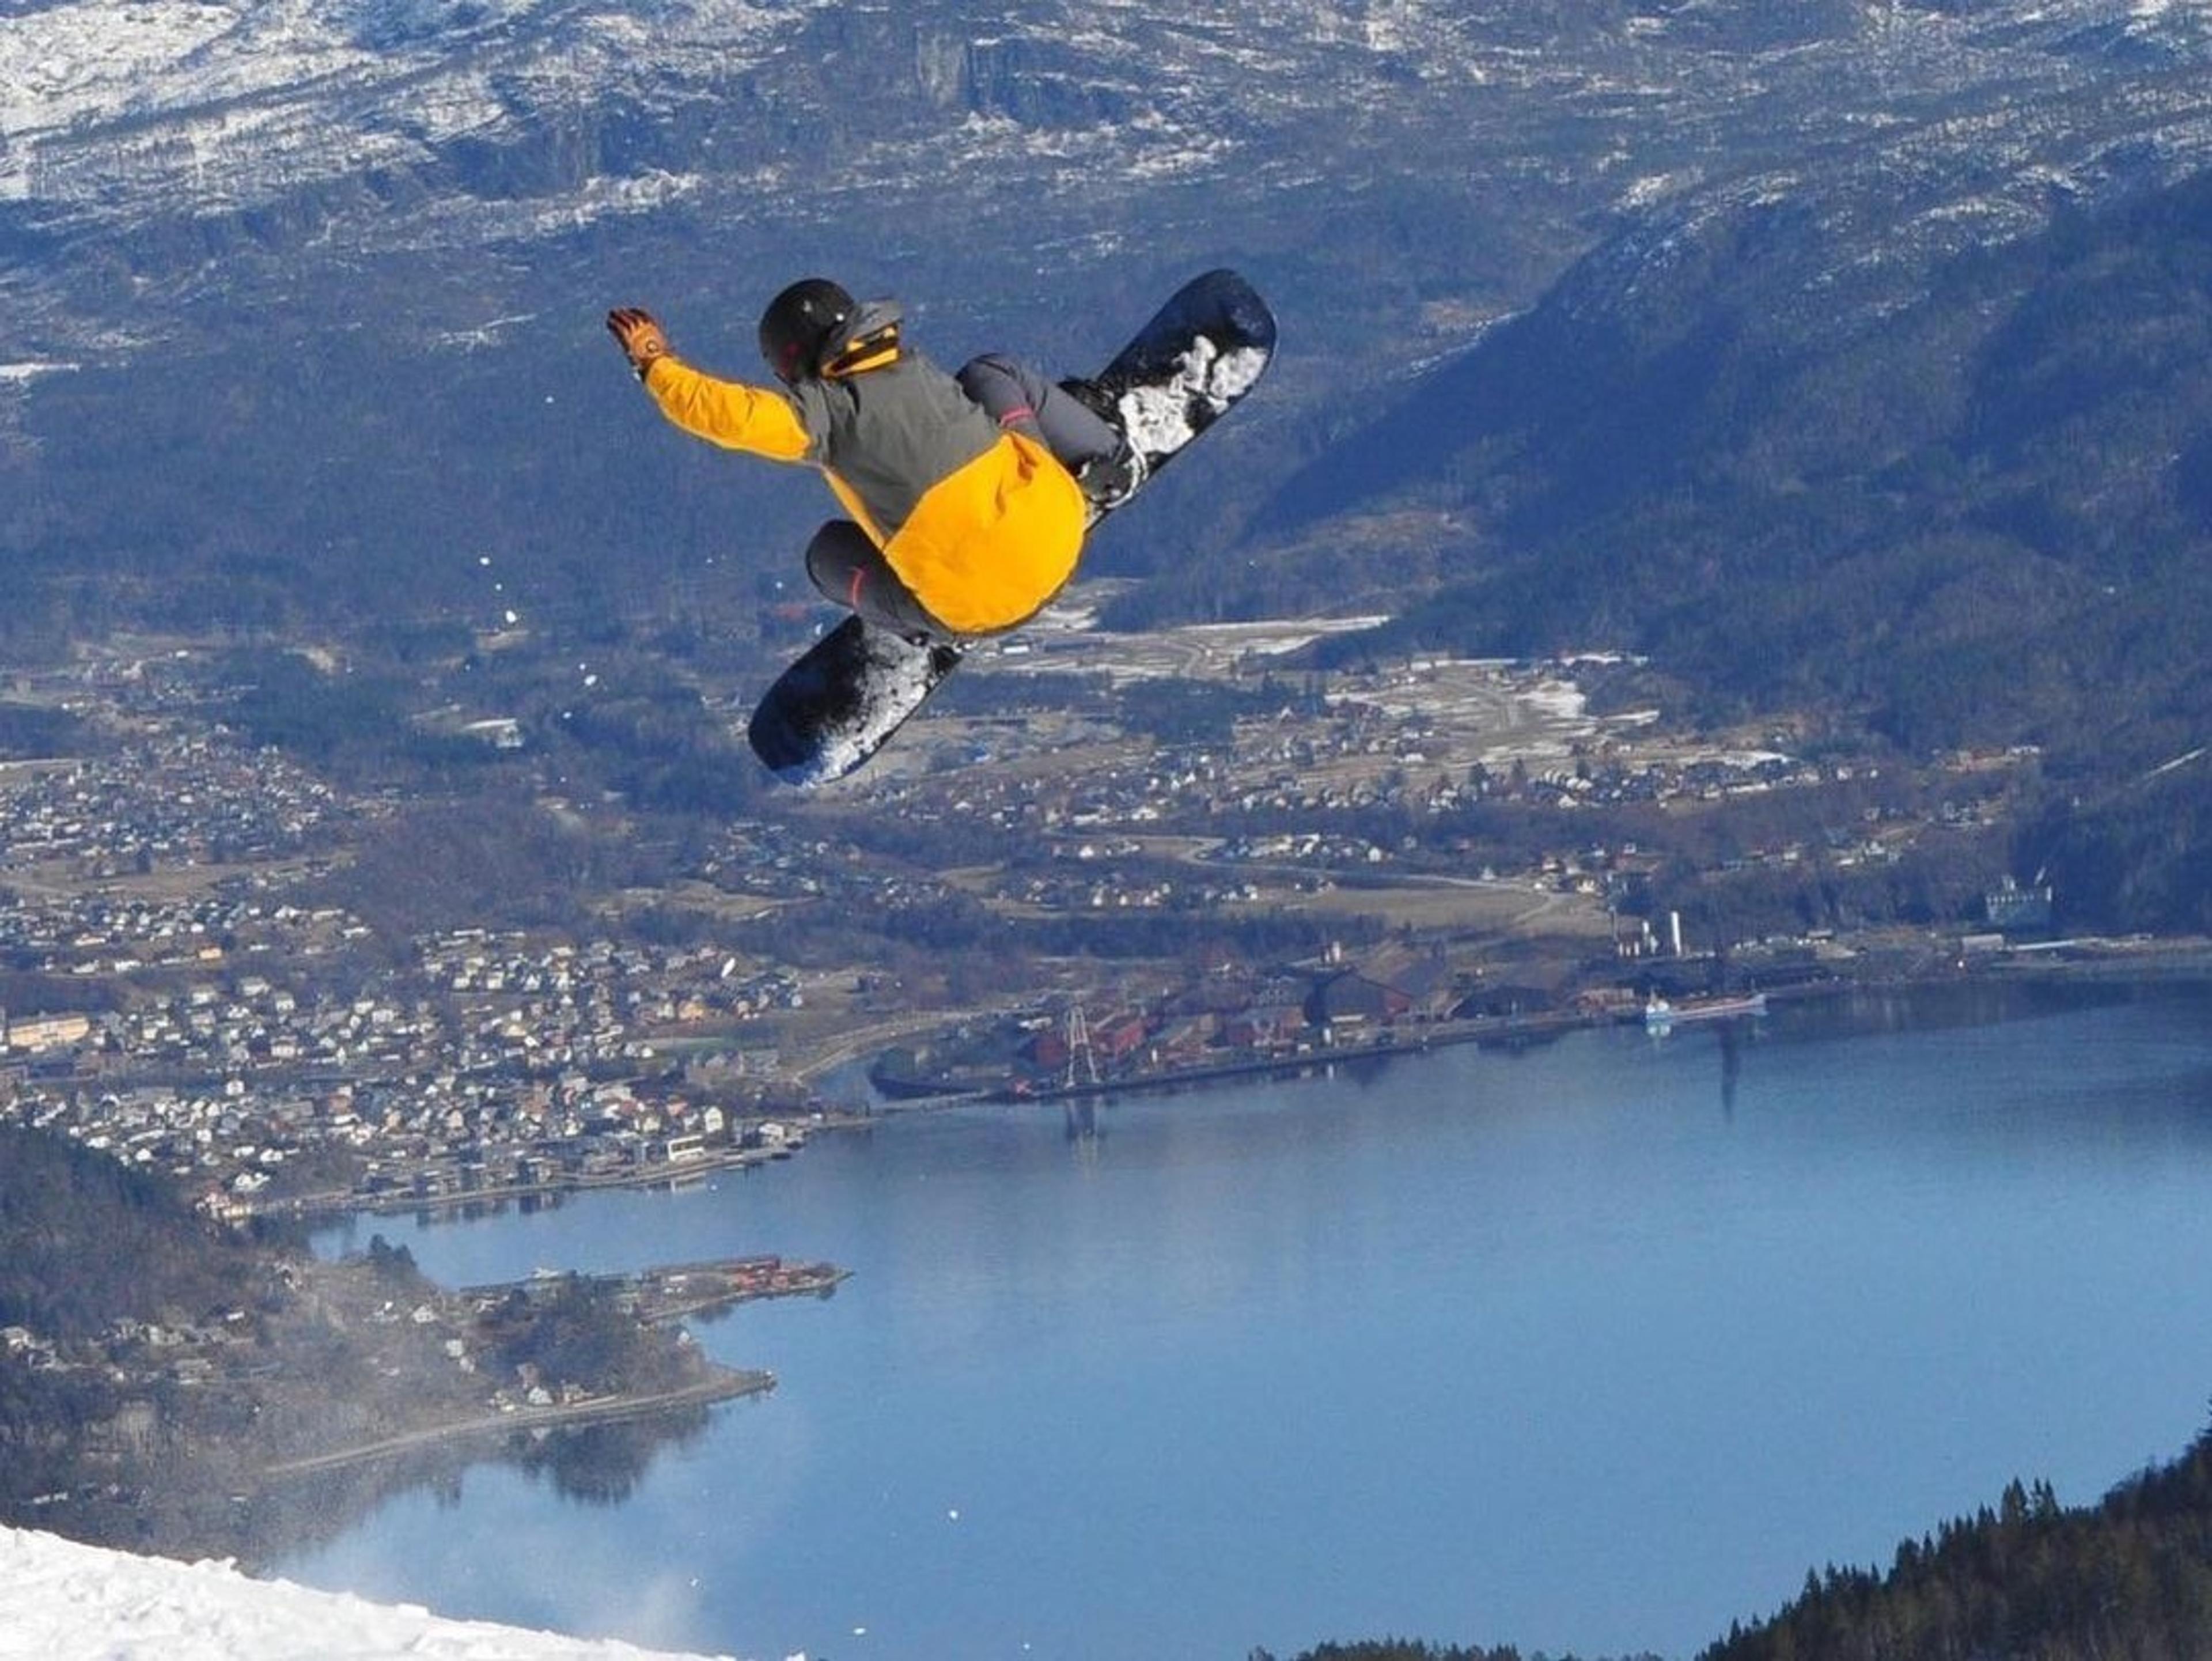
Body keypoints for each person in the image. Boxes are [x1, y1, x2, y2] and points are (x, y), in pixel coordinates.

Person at [607, 280, 1143, 642]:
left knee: (826, 556)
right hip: (1060, 529)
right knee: (991, 372)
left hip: (977, 610)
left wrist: (654, 362)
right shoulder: (907, 361)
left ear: (791, 364)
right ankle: (1107, 459)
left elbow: (730, 416)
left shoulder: (823, 417)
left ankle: (918, 633)